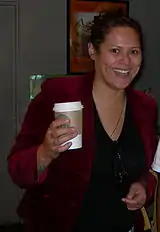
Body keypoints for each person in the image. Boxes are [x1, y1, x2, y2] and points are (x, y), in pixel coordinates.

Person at [8, 9, 158, 232]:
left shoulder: (145, 107)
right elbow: (17, 169)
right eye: (115, 50)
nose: (125, 61)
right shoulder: (58, 95)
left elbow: (150, 169)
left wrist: (144, 187)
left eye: (134, 51)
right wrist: (46, 152)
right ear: (92, 51)